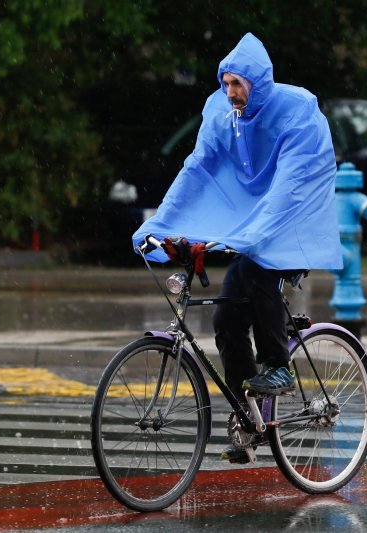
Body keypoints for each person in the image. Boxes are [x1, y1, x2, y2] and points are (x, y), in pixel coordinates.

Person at [132, 33, 342, 463]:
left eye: (238, 85)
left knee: (262, 267)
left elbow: (289, 188)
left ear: (258, 83)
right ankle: (249, 418)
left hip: (297, 213)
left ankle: (279, 367)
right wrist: (161, 223)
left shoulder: (297, 110)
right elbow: (197, 168)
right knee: (227, 319)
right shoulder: (222, 112)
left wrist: (246, 236)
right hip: (253, 217)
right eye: (225, 83)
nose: (230, 93)